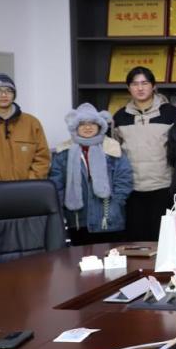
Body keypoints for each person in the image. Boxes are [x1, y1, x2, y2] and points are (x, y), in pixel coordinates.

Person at [48, 103, 134, 245]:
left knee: (110, 256)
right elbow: (57, 185)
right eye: (82, 124)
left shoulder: (112, 148)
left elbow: (124, 178)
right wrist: (61, 211)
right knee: (80, 257)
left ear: (100, 126)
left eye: (92, 123)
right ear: (75, 127)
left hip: (108, 217)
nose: (87, 127)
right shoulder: (63, 152)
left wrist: (117, 203)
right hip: (77, 219)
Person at [113, 66, 176, 241]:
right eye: (135, 84)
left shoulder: (171, 114)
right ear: (129, 88)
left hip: (163, 187)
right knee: (135, 241)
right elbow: (115, 153)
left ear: (154, 86)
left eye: (145, 83)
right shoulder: (120, 117)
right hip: (132, 189)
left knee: (162, 240)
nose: (140, 88)